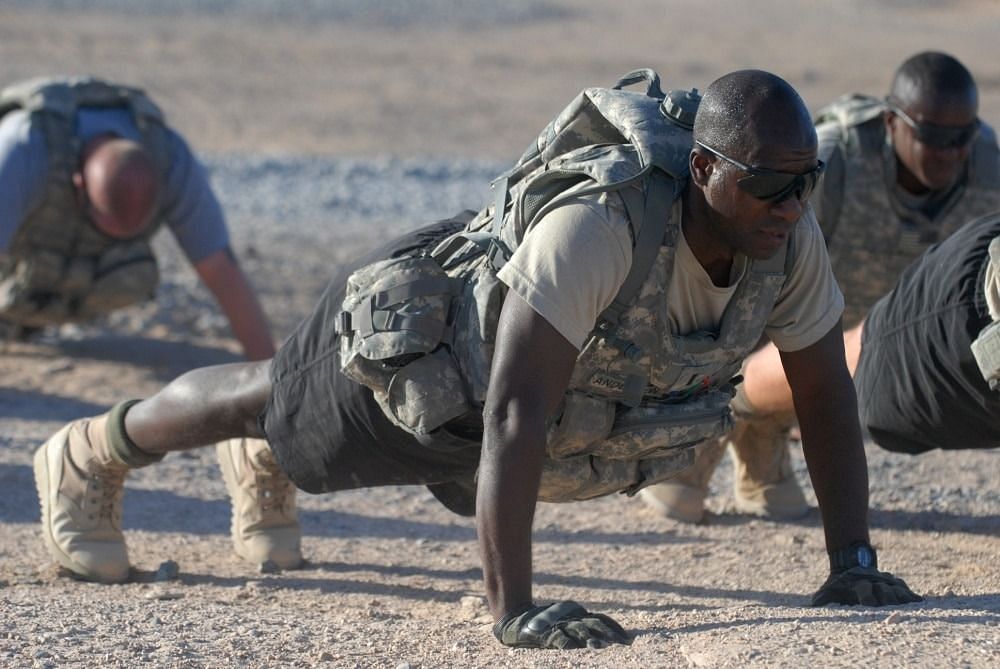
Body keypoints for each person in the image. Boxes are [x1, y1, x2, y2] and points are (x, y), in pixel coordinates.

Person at [32, 69, 920, 650]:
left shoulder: (785, 241)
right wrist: (514, 609)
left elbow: (824, 394)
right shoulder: (602, 228)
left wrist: (851, 558)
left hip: (525, 431)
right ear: (699, 169)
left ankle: (260, 455)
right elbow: (511, 412)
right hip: (434, 370)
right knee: (267, 403)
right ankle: (90, 450)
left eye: (805, 182)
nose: (791, 204)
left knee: (284, 425)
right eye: (766, 182)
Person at [640, 51, 1000, 524]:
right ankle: (699, 434)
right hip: (784, 304)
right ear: (892, 121)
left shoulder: (988, 169)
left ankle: (763, 432)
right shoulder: (835, 161)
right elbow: (756, 252)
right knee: (678, 503)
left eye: (963, 138)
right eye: (934, 137)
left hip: (883, 316)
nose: (953, 151)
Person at [1, 77, 301, 569]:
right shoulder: (23, 149)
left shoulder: (171, 161)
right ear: (77, 184)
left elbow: (221, 270)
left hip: (67, 265)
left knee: (127, 275)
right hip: (16, 258)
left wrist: (268, 392)